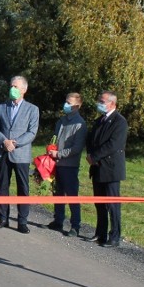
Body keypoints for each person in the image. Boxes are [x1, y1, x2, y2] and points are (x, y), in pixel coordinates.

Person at [0, 76, 40, 234]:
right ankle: (3, 217)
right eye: (11, 86)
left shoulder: (32, 109)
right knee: (2, 186)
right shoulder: (1, 107)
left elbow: (32, 132)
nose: (13, 89)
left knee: (23, 188)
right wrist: (4, 141)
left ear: (24, 90)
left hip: (21, 154)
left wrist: (15, 143)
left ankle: (22, 221)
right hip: (4, 153)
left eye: (16, 86)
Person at [85, 91, 127, 247]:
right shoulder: (99, 120)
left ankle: (115, 236)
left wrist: (95, 156)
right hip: (97, 168)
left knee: (112, 204)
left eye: (102, 101)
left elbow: (114, 145)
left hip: (111, 169)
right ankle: (100, 233)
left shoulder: (119, 122)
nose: (99, 103)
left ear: (112, 103)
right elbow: (91, 139)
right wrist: (90, 155)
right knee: (99, 203)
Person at [47, 92, 87, 237]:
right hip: (56, 164)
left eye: (69, 103)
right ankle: (58, 220)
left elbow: (77, 148)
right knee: (58, 193)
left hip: (69, 165)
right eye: (66, 102)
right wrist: (51, 148)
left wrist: (59, 154)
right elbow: (55, 139)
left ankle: (75, 226)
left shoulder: (80, 124)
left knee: (71, 196)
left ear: (77, 105)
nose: (66, 105)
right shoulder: (61, 121)